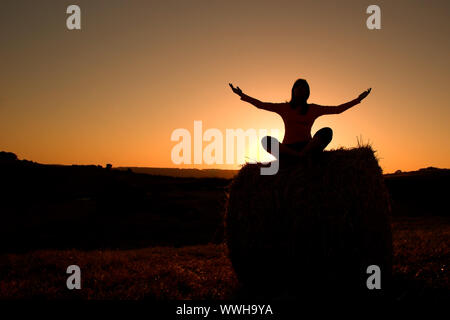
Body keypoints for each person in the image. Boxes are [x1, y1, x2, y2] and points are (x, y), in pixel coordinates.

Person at [229, 79, 371, 161]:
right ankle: (299, 157)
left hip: (308, 146)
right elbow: (261, 105)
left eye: (305, 89)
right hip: (288, 149)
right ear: (293, 90)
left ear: (308, 92)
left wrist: (358, 100)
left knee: (327, 131)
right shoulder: (284, 108)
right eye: (299, 88)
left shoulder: (313, 109)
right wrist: (242, 95)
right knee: (265, 140)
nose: (302, 91)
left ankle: (301, 156)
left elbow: (338, 109)